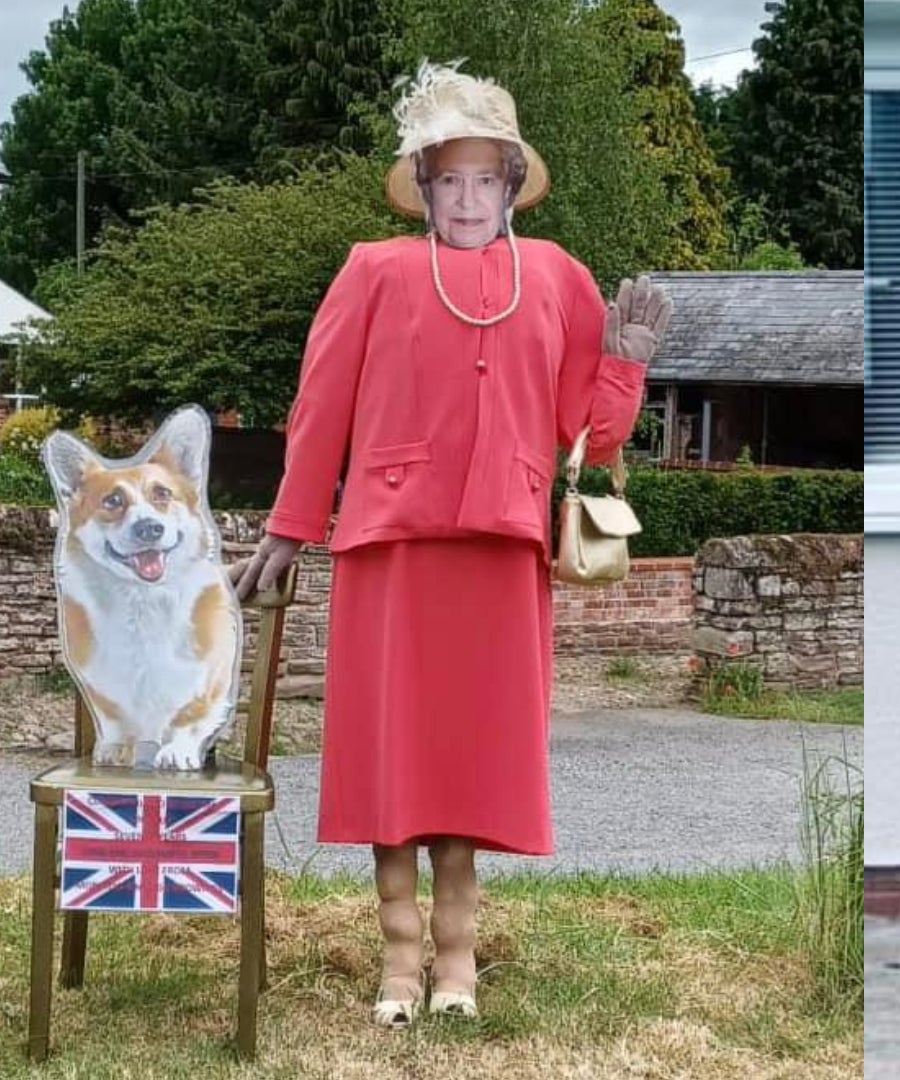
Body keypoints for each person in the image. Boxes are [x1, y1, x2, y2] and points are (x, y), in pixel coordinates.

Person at [227, 59, 670, 1028]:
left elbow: (587, 437)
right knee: (392, 754)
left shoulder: (557, 276)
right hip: (390, 546)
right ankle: (396, 959)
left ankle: (459, 962)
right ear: (422, 187)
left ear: (512, 185)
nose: (468, 200)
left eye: (486, 180)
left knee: (474, 755)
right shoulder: (372, 270)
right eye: (449, 180)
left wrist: (627, 366)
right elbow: (321, 410)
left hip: (504, 546)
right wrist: (290, 529)